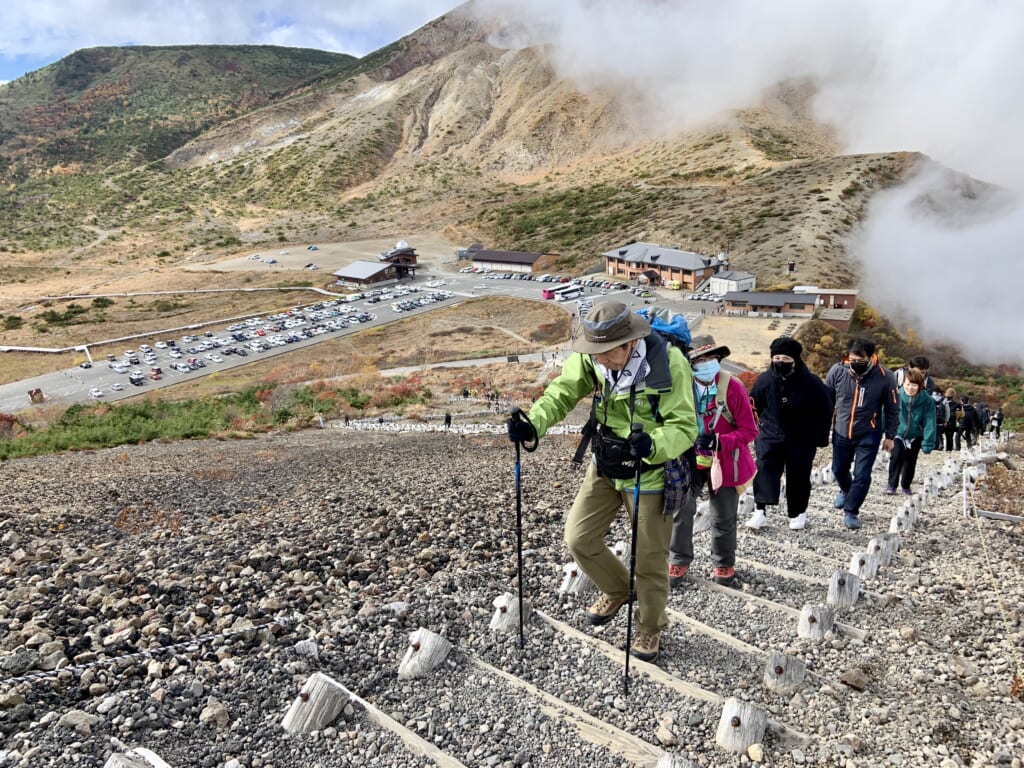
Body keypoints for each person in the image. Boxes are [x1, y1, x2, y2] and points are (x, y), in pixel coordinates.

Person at [506, 302, 696, 662]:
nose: (600, 360)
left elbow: (685, 427)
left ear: (631, 342)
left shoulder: (669, 363)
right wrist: (533, 425)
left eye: (608, 353)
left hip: (648, 470)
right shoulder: (592, 356)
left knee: (649, 559)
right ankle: (619, 589)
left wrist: (654, 445)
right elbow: (562, 392)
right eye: (595, 352)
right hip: (606, 462)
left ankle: (650, 626)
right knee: (578, 537)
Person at [668, 335, 758, 587]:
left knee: (724, 515)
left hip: (725, 461)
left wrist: (720, 442)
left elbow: (749, 430)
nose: (706, 363)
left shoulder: (733, 386)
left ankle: (723, 562)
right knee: (681, 511)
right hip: (688, 460)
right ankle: (678, 559)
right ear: (690, 363)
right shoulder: (681, 385)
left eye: (711, 358)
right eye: (700, 359)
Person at [748, 337, 833, 531]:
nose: (780, 362)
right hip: (770, 433)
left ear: (795, 359)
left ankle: (798, 513)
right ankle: (760, 511)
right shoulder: (765, 379)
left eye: (786, 358)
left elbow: (825, 410)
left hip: (802, 438)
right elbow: (752, 405)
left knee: (799, 475)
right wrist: (753, 429)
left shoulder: (812, 382)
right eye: (777, 358)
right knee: (764, 469)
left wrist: (820, 436)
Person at [825, 337, 898, 530]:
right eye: (852, 359)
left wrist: (890, 436)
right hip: (842, 430)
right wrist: (823, 428)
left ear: (871, 357)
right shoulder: (837, 371)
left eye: (860, 360)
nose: (856, 363)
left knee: (862, 475)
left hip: (869, 433)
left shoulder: (885, 377)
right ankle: (846, 491)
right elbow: (826, 400)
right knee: (838, 469)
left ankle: (851, 510)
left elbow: (892, 409)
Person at [885, 368, 937, 495]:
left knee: (910, 461)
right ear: (903, 383)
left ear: (920, 386)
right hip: (898, 432)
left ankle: (906, 485)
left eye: (914, 385)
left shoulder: (928, 401)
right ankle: (891, 485)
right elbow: (885, 413)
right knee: (896, 455)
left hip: (916, 434)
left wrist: (928, 442)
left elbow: (930, 422)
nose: (910, 388)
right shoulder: (896, 395)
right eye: (908, 384)